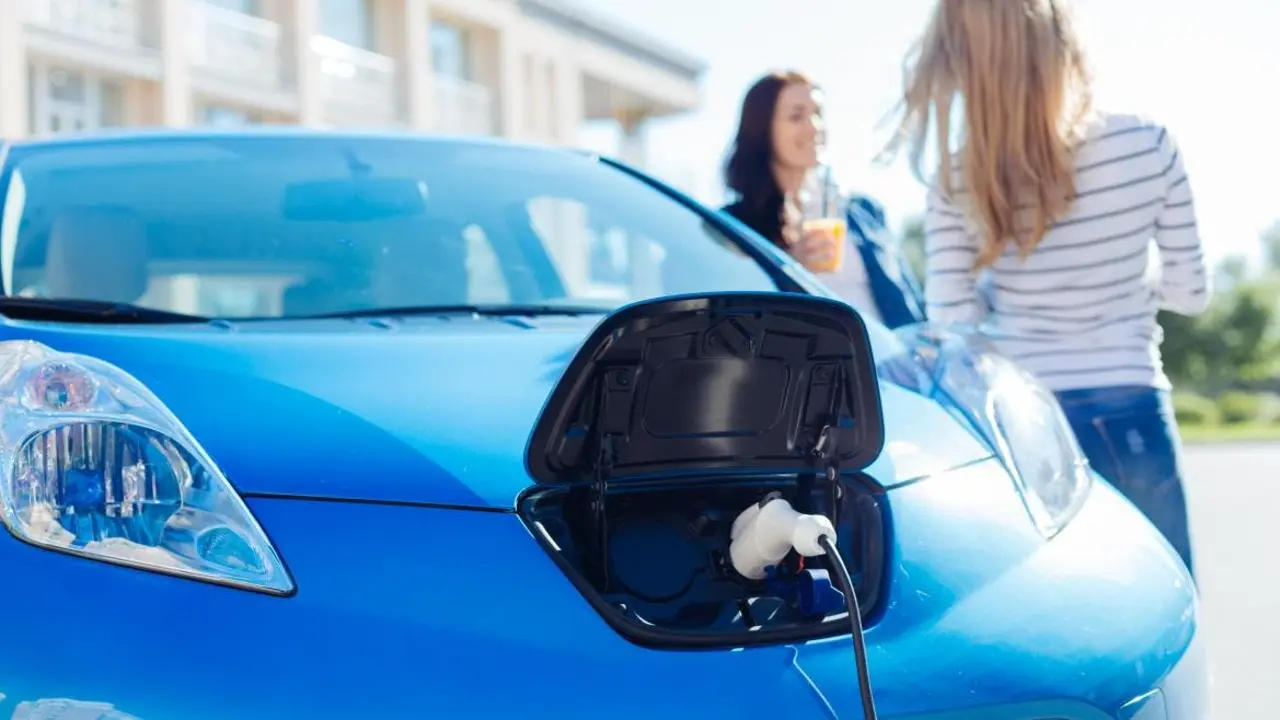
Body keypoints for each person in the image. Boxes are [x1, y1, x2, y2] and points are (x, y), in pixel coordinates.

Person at [881, 0, 1208, 576]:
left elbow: (952, 324)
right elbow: (1191, 293)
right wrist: (1126, 284)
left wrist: (1001, 295)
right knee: (1165, 597)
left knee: (1064, 604)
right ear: (1062, 38)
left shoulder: (955, 177)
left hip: (1027, 426)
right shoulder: (1146, 143)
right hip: (1130, 403)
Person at [720, 71, 925, 329]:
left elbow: (910, 301)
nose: (814, 126)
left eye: (818, 113)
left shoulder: (864, 211)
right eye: (796, 116)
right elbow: (732, 317)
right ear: (762, 129)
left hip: (884, 352)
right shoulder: (734, 227)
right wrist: (790, 267)